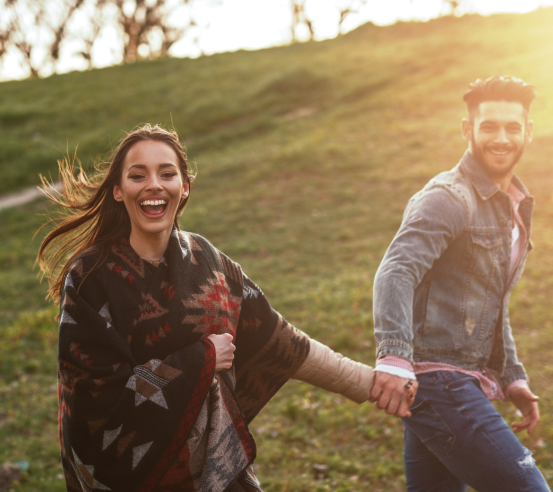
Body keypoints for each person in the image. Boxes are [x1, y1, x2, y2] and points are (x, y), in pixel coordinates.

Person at [37, 124, 398, 491]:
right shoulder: (90, 277)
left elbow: (281, 341)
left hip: (216, 472)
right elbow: (93, 404)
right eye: (138, 175)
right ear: (118, 190)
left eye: (167, 174)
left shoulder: (208, 261)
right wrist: (203, 357)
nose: (154, 185)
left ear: (185, 186)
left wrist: (372, 383)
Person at [369, 76, 551, 491]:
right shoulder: (448, 197)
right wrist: (393, 358)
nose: (501, 138)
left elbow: (490, 298)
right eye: (489, 127)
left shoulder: (511, 204)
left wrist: (512, 376)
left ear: (528, 132)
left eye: (512, 127)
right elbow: (396, 270)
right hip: (437, 379)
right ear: (468, 129)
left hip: (460, 378)